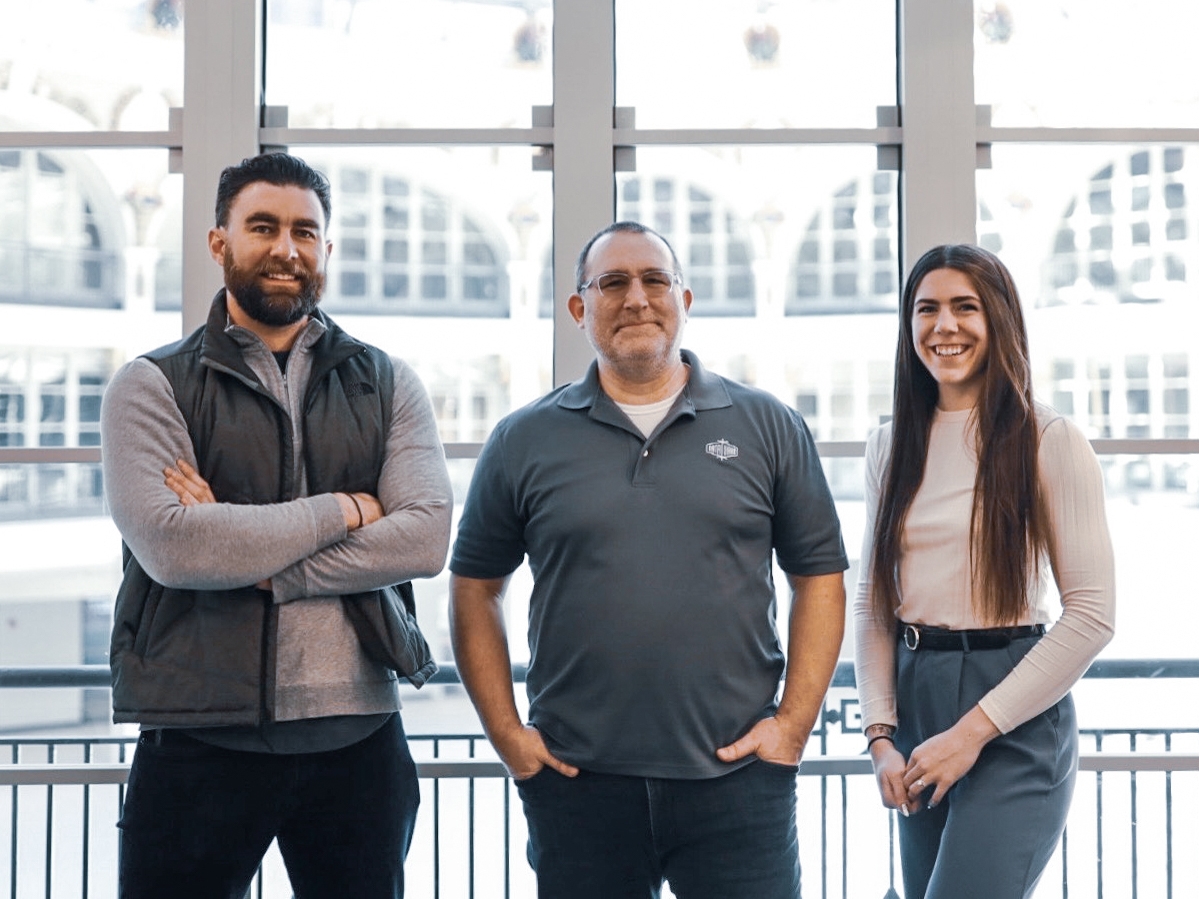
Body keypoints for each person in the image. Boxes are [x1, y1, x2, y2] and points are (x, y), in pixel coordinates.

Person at [449, 221, 848, 899]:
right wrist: (510, 737)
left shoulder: (768, 426)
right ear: (580, 309)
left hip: (738, 784)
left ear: (683, 299)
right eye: (612, 282)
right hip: (577, 787)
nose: (636, 298)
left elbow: (819, 579)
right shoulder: (523, 439)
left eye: (653, 280)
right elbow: (474, 591)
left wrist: (791, 727)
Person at [100, 152, 453, 899]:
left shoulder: (388, 382)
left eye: (304, 230)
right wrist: (348, 511)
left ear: (326, 249)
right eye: (262, 226)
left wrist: (260, 558)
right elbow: (174, 545)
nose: (286, 248)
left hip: (358, 740)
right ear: (219, 241)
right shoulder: (151, 384)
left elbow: (423, 537)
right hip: (199, 736)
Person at [853, 244, 1116, 899]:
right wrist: (880, 734)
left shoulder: (1049, 438)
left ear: (998, 319)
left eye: (964, 307)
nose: (943, 326)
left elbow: (1090, 615)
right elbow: (871, 601)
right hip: (916, 699)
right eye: (926, 309)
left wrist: (970, 732)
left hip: (1013, 709)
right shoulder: (890, 444)